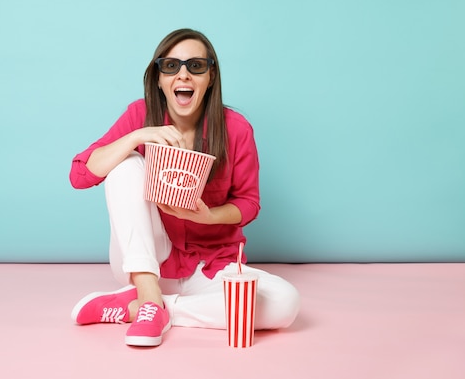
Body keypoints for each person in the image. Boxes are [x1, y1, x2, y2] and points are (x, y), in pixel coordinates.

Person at [69, 28, 300, 347]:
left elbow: (249, 203)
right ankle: (149, 294)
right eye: (171, 66)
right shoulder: (140, 115)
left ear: (210, 76)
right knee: (124, 164)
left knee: (285, 304)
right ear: (159, 78)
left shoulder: (236, 128)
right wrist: (136, 137)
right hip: (148, 261)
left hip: (211, 268)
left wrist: (207, 217)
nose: (183, 75)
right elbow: (80, 175)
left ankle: (149, 308)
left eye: (195, 66)